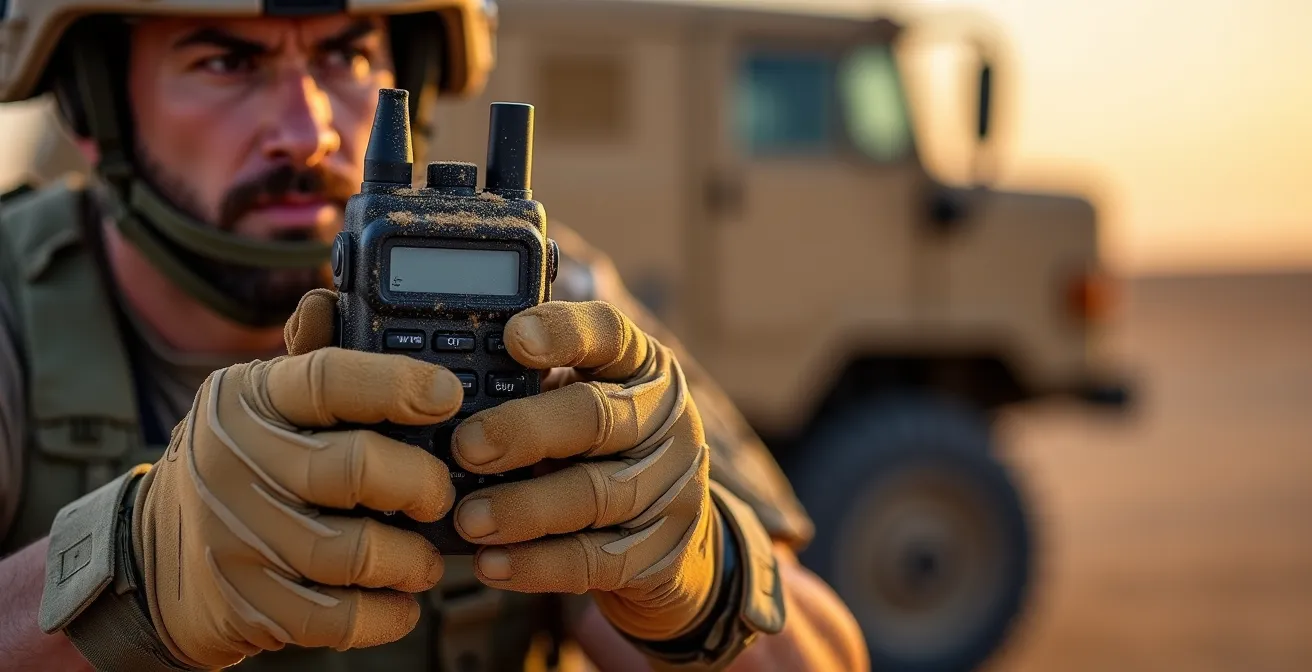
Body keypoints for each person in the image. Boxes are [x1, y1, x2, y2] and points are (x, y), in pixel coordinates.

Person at [0, 1, 868, 670]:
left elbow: (830, 651)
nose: (310, 131)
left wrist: (701, 579)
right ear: (94, 99)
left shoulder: (552, 314)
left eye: (346, 55)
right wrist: (127, 568)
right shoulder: (14, 306)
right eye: (227, 60)